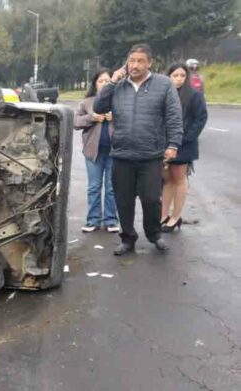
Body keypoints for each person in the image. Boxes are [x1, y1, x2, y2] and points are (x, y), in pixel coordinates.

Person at [93, 43, 183, 256]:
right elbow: (99, 108)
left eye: (140, 61)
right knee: (123, 200)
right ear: (127, 63)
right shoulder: (118, 86)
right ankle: (127, 238)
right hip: (122, 154)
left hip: (151, 155)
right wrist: (113, 81)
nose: (135, 65)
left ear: (149, 63)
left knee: (151, 198)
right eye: (132, 61)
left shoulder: (163, 85)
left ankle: (154, 235)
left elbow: (173, 116)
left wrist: (173, 144)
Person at [161, 63, 208, 232]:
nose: (179, 79)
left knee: (179, 179)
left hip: (184, 144)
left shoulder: (194, 95)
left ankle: (175, 217)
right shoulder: (164, 93)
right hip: (164, 144)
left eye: (182, 75)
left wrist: (186, 137)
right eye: (175, 75)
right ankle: (163, 215)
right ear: (168, 77)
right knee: (167, 180)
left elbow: (201, 118)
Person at [74, 68, 120, 233]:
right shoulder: (87, 102)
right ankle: (93, 220)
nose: (104, 84)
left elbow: (130, 121)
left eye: (108, 80)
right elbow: (75, 122)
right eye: (101, 81)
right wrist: (91, 118)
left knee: (111, 187)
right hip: (93, 152)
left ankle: (111, 220)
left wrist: (116, 117)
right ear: (95, 84)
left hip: (115, 152)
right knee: (94, 186)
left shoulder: (119, 100)